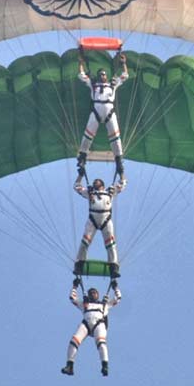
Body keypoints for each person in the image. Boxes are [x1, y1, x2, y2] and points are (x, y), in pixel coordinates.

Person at [77, 51, 129, 180]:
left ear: (107, 76)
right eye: (100, 74)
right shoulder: (93, 84)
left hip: (110, 113)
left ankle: (119, 160)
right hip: (95, 112)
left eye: (104, 74)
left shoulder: (113, 83)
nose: (102, 75)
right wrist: (81, 63)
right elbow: (81, 75)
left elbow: (125, 75)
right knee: (87, 137)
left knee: (116, 139)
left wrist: (124, 63)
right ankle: (82, 158)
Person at [61, 283, 121, 376]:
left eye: (94, 292)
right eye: (91, 293)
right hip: (86, 324)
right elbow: (72, 298)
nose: (92, 294)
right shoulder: (84, 304)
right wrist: (74, 286)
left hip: (99, 323)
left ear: (98, 295)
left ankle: (105, 366)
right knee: (73, 342)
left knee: (101, 343)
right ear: (88, 295)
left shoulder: (105, 304)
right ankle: (70, 366)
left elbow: (118, 298)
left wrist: (115, 287)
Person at [74, 177, 125, 278]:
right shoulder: (89, 192)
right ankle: (79, 264)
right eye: (94, 182)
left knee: (111, 244)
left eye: (96, 181)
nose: (94, 182)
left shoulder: (110, 192)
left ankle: (113, 266)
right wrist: (80, 175)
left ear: (102, 185)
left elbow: (122, 184)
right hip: (92, 219)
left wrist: (121, 170)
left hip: (106, 219)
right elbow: (76, 186)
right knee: (84, 243)